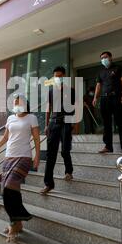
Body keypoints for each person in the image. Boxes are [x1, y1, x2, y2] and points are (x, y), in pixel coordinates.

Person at [0, 95, 40, 242]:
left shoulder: (31, 118)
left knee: (8, 187)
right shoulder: (10, 118)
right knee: (11, 191)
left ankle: (13, 224)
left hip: (23, 157)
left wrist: (37, 156)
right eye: (14, 103)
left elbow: (37, 138)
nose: (15, 105)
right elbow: (6, 137)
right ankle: (18, 222)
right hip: (8, 157)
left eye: (18, 103)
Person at [40, 66, 79, 195]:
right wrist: (46, 125)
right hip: (53, 123)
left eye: (60, 76)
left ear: (64, 76)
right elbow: (48, 108)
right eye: (55, 76)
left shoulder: (71, 91)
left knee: (64, 150)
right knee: (51, 154)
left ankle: (69, 171)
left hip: (67, 123)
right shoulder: (51, 91)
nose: (57, 78)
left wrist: (75, 124)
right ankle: (48, 184)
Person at [92, 51, 122, 154]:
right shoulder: (101, 72)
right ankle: (108, 146)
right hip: (104, 99)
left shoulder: (118, 68)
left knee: (121, 122)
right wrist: (95, 97)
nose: (103, 59)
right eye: (102, 58)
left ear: (110, 57)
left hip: (117, 97)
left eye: (105, 57)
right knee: (106, 123)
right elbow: (98, 85)